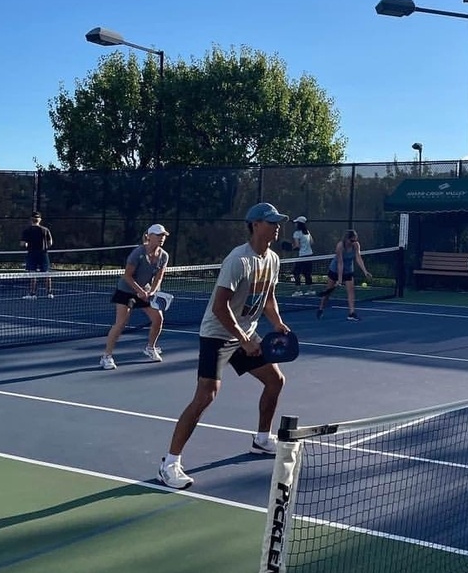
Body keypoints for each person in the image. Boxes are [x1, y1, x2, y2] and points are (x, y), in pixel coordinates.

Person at [157, 202, 292, 489]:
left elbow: (267, 297)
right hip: (218, 335)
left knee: (275, 380)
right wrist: (242, 341)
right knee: (206, 395)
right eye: (271, 221)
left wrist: (277, 323)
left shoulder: (273, 259)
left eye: (278, 221)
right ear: (256, 225)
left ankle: (262, 439)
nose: (277, 225)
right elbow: (220, 307)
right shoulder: (238, 260)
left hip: (246, 332)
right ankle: (169, 464)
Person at [100, 224, 170, 369]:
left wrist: (151, 292)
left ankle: (150, 348)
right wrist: (139, 291)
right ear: (149, 236)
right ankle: (106, 356)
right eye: (158, 235)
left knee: (158, 318)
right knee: (121, 323)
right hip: (126, 291)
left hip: (145, 292)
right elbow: (127, 275)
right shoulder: (138, 253)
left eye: (163, 236)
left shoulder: (164, 256)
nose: (161, 238)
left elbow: (159, 278)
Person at [316, 229, 371, 321]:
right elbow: (340, 263)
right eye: (352, 240)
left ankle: (351, 313)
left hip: (348, 270)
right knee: (328, 292)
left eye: (355, 240)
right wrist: (340, 278)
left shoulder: (356, 245)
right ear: (346, 239)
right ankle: (321, 308)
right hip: (335, 270)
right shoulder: (340, 246)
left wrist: (365, 271)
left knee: (351, 291)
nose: (354, 242)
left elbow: (358, 257)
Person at [20, 212, 54, 299]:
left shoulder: (27, 230)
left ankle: (32, 294)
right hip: (43, 254)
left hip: (32, 254)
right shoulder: (45, 230)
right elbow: (50, 243)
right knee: (46, 273)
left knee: (32, 274)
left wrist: (26, 245)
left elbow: (23, 243)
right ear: (40, 220)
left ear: (31, 220)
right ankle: (49, 293)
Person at [291, 216, 315, 292]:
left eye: (296, 223)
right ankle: (310, 290)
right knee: (307, 273)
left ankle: (298, 291)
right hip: (310, 255)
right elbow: (312, 242)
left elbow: (297, 246)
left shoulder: (296, 233)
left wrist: (292, 247)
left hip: (302, 256)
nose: (295, 224)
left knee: (296, 272)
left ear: (299, 224)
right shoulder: (307, 232)